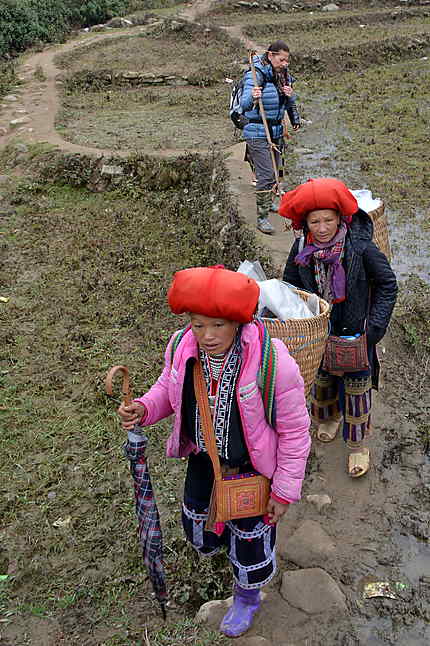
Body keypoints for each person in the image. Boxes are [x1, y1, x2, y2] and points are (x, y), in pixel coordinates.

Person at [118, 266, 310, 638]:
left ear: (240, 321)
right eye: (198, 324)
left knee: (251, 537)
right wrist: (144, 407)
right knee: (206, 525)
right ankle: (225, 557)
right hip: (203, 462)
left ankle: (247, 598)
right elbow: (167, 388)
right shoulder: (181, 346)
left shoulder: (272, 363)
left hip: (251, 470)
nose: (207, 336)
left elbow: (295, 431)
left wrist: (284, 490)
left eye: (218, 325)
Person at [280, 178, 398, 477]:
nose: (322, 228)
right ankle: (329, 419)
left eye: (328, 220)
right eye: (315, 221)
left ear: (341, 218)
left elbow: (387, 284)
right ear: (305, 223)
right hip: (321, 333)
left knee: (356, 392)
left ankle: (358, 447)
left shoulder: (360, 248)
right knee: (323, 382)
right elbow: (290, 288)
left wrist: (373, 330)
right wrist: (301, 321)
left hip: (357, 333)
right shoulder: (301, 249)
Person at [240, 40, 300, 235]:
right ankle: (262, 217)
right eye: (281, 59)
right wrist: (253, 96)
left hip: (275, 131)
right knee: (266, 175)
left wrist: (291, 98)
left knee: (277, 172)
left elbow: (287, 103)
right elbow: (244, 105)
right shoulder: (255, 75)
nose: (285, 63)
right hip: (257, 131)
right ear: (271, 56)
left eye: (287, 60)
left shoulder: (283, 76)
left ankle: (270, 202)